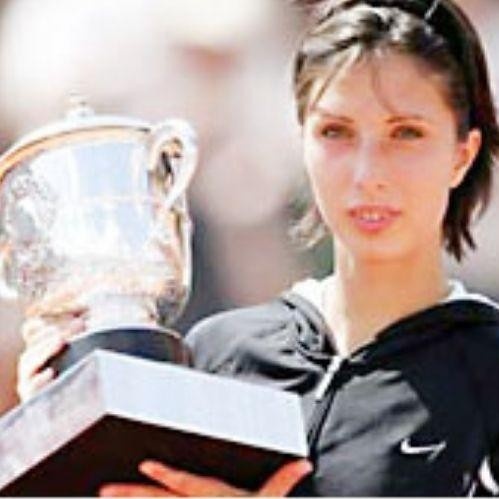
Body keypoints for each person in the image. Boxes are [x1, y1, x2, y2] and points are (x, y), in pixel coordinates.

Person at [16, 0, 499, 495]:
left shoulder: (488, 369)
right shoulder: (216, 354)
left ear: (462, 155)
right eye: (336, 132)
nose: (367, 172)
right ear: (302, 142)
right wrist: (65, 434)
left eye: (406, 133)